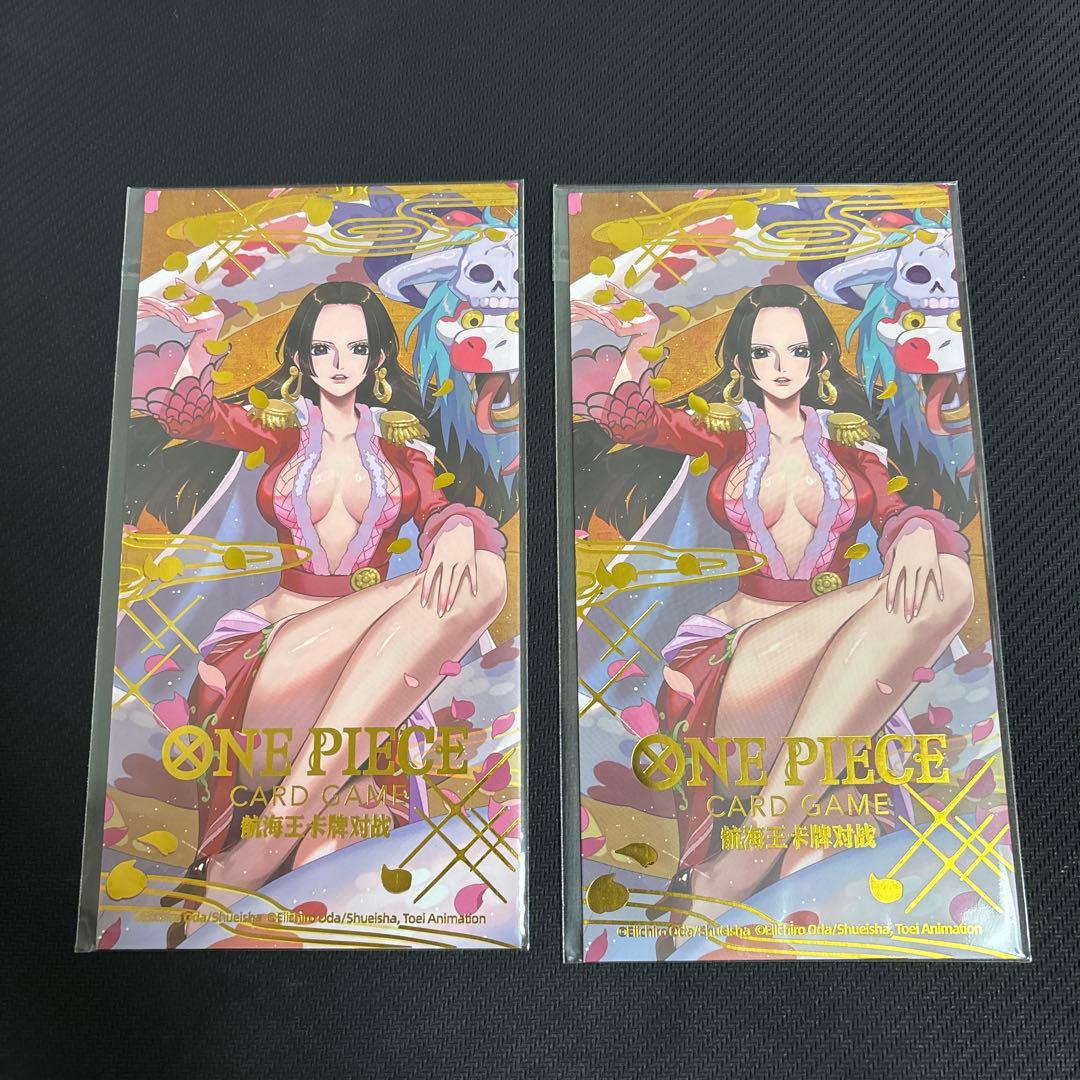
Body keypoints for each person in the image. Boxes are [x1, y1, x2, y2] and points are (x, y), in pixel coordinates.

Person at [573, 283, 972, 958]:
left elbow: (893, 509)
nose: (781, 366)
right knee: (948, 578)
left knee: (816, 893)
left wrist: (911, 532)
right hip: (737, 665)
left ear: (820, 358)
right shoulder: (726, 432)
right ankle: (747, 855)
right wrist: (639, 345)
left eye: (797, 350)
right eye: (764, 352)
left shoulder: (852, 444)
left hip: (834, 682)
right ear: (742, 362)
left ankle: (750, 864)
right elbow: (634, 422)